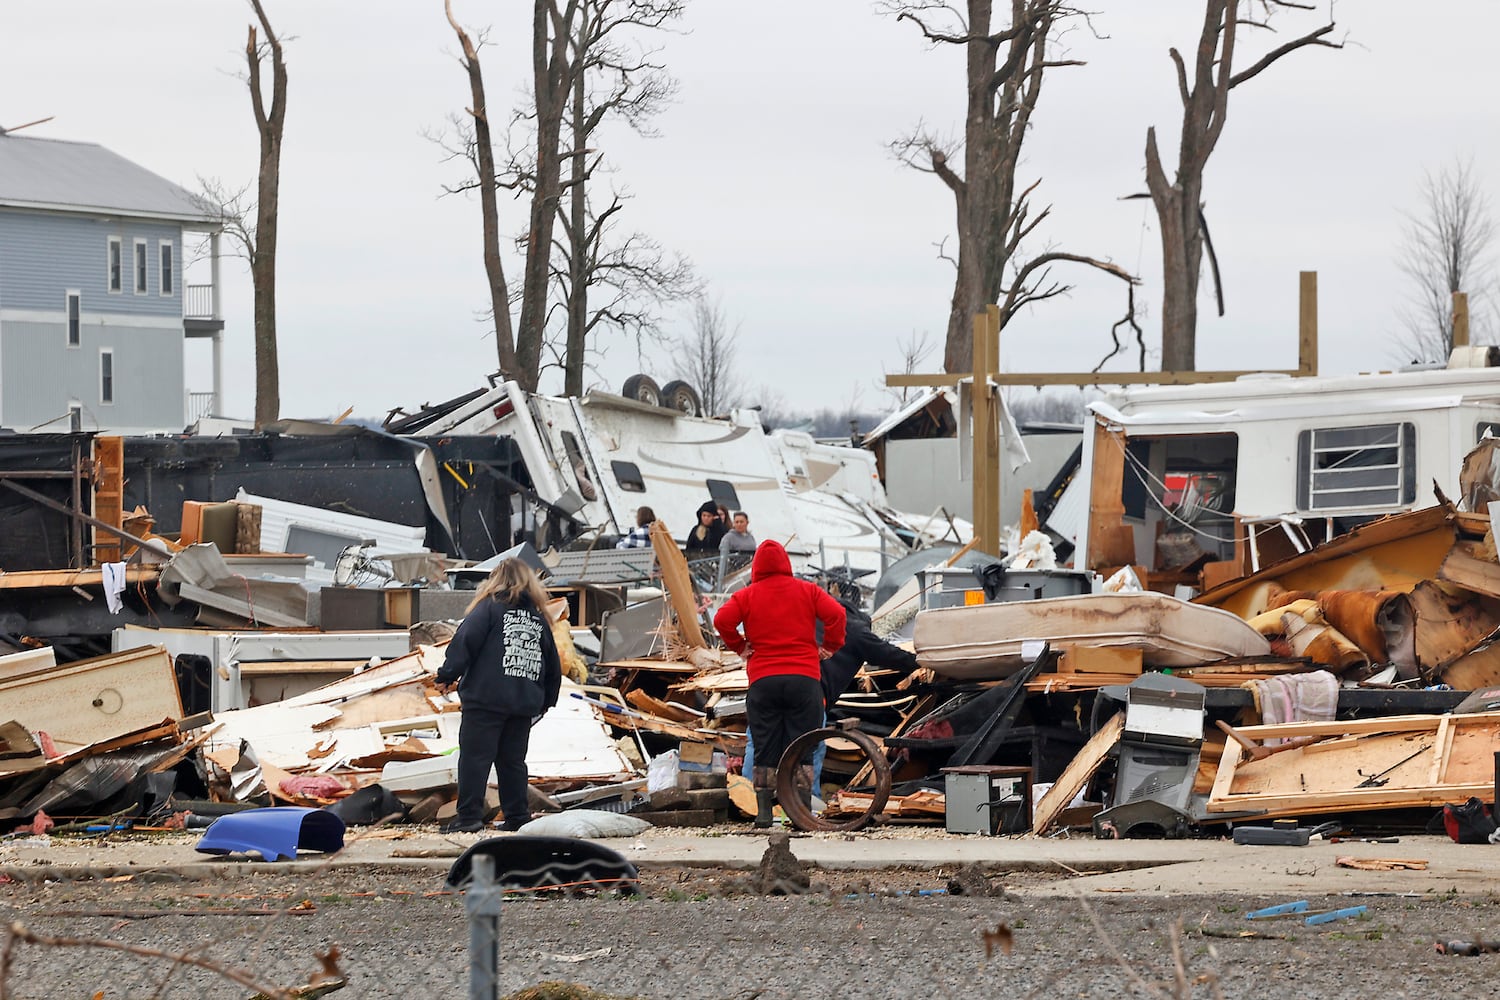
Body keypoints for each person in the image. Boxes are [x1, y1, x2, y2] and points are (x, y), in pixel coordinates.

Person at [741, 579, 921, 792]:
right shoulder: (854, 629)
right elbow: (888, 654)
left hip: (765, 686)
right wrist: (921, 662)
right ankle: (803, 807)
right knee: (808, 747)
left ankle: (748, 799)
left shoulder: (804, 615)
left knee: (759, 743)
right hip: (806, 693)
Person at [713, 540, 845, 828]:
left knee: (764, 748)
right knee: (803, 746)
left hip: (764, 681)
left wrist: (739, 646)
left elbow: (721, 620)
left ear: (757, 567)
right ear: (786, 563)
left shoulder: (746, 595)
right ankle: (801, 815)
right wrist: (830, 646)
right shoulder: (808, 590)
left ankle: (762, 814)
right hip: (804, 680)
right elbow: (837, 615)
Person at [434, 559, 562, 834]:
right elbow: (553, 664)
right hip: (522, 704)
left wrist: (447, 675)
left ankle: (469, 818)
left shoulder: (489, 608)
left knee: (474, 758)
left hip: (486, 699)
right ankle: (517, 816)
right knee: (512, 762)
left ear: (495, 580)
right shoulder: (539, 618)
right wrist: (546, 701)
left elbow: (465, 641)